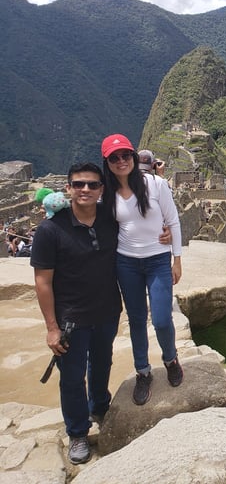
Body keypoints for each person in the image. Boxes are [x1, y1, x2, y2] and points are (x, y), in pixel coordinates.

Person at [30, 162, 121, 464]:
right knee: (71, 377)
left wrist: (163, 235)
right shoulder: (50, 230)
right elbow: (42, 282)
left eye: (92, 185)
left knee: (102, 363)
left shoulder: (110, 221)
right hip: (71, 319)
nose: (85, 190)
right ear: (68, 188)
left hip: (107, 310)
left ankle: (100, 407)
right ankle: (78, 431)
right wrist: (52, 327)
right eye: (79, 184)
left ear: (101, 190)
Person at [101, 134, 183, 406]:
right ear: (108, 162)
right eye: (114, 158)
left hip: (158, 260)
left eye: (126, 155)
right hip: (126, 262)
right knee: (136, 319)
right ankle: (143, 371)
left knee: (161, 319)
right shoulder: (106, 193)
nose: (121, 161)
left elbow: (173, 221)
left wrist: (177, 258)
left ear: (134, 158)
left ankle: (170, 358)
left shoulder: (155, 184)